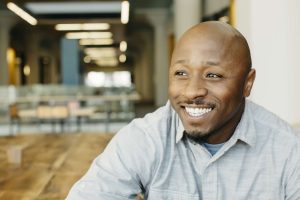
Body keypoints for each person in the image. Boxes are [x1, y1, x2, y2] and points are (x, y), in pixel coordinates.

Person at [66, 21, 300, 199]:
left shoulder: (288, 150)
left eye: (213, 75)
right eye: (181, 73)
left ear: (247, 83)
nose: (192, 91)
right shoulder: (145, 138)